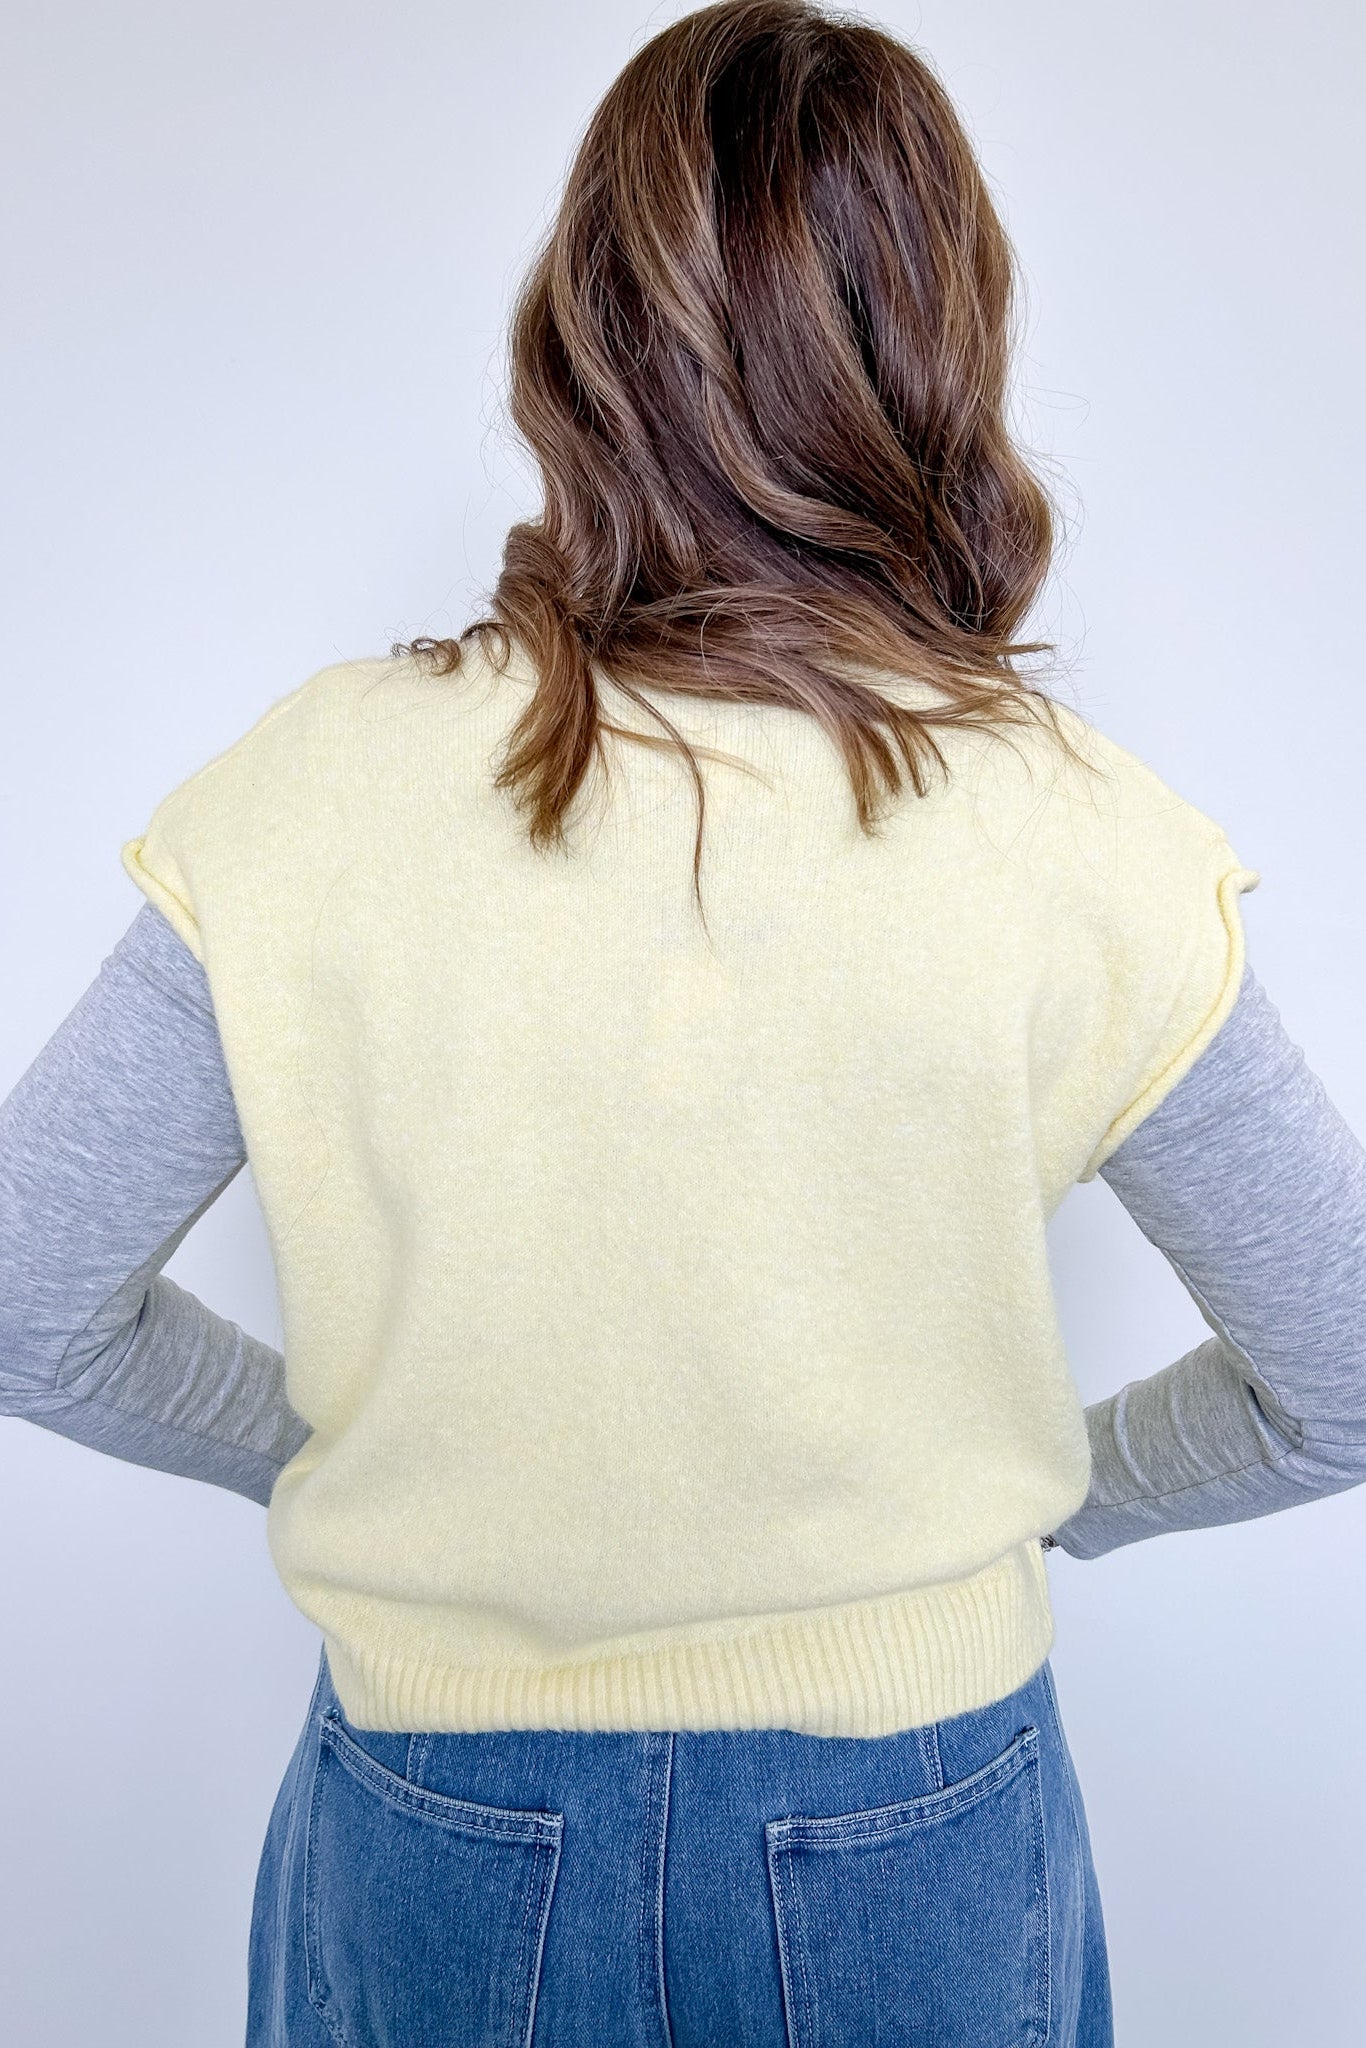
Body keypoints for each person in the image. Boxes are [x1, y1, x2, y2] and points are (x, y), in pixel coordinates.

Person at [4, 3, 1366, 2042]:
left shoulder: (310, 791)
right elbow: (1341, 1368)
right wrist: (1047, 1491)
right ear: (937, 344)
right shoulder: (1076, 833)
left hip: (436, 1821)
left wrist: (352, 1449)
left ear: (583, 332)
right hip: (915, 1819)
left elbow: (26, 1292)